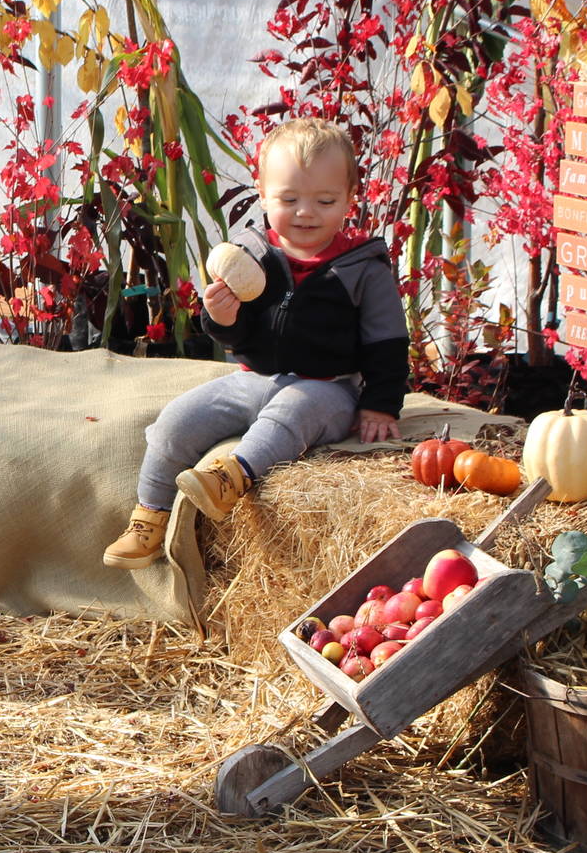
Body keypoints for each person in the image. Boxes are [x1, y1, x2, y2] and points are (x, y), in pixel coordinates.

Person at [103, 118, 408, 568]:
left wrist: (381, 404)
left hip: (329, 388)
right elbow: (237, 333)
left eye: (325, 200)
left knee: (292, 412)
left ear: (348, 200)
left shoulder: (363, 268)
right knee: (176, 420)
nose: (306, 212)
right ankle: (149, 516)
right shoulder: (253, 255)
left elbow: (388, 342)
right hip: (252, 378)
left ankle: (232, 477)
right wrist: (223, 318)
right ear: (262, 195)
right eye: (289, 199)